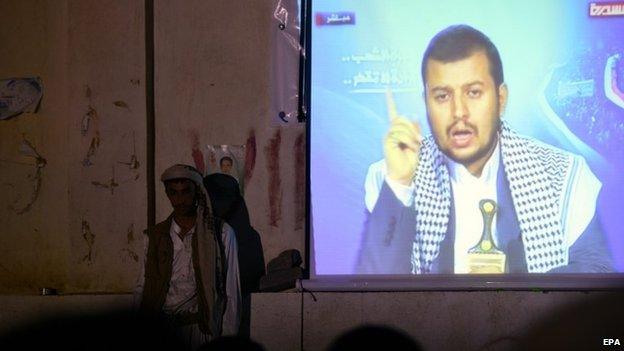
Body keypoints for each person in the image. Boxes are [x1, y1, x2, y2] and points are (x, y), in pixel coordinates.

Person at [357, 24, 614, 274]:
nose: (459, 112)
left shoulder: (563, 174)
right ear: (426, 103)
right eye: (442, 96)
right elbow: (373, 293)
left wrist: (509, 301)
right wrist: (400, 184)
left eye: (473, 92)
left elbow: (594, 276)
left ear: (501, 99)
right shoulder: (387, 176)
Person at [134, 164, 229, 350]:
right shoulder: (153, 237)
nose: (180, 200)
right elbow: (142, 287)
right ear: (167, 194)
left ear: (197, 192)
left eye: (186, 192)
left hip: (200, 329)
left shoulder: (221, 233)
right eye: (173, 193)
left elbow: (230, 291)